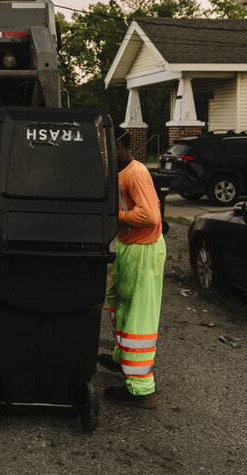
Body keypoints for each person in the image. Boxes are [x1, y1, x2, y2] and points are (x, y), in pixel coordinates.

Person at [99, 126, 166, 409]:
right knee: (119, 301)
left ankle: (141, 390)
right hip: (130, 247)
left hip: (144, 251)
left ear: (121, 145)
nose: (106, 154)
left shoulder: (136, 173)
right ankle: (121, 358)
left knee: (138, 318)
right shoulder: (121, 173)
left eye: (109, 147)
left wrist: (116, 216)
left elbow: (150, 215)